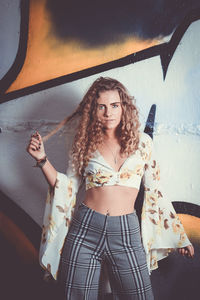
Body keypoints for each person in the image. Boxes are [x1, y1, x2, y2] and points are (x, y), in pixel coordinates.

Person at [27, 77, 194, 300]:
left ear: (124, 107)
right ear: (92, 110)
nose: (109, 112)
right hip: (85, 230)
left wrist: (179, 237)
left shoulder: (143, 143)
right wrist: (42, 160)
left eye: (115, 105)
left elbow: (155, 191)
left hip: (126, 232)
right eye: (101, 106)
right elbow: (67, 188)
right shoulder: (84, 142)